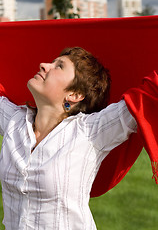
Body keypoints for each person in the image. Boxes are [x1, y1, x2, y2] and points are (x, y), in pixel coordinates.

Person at [0, 47, 140, 230]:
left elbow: (142, 101)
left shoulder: (89, 131)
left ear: (74, 95)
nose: (44, 65)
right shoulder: (14, 121)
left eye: (59, 66)